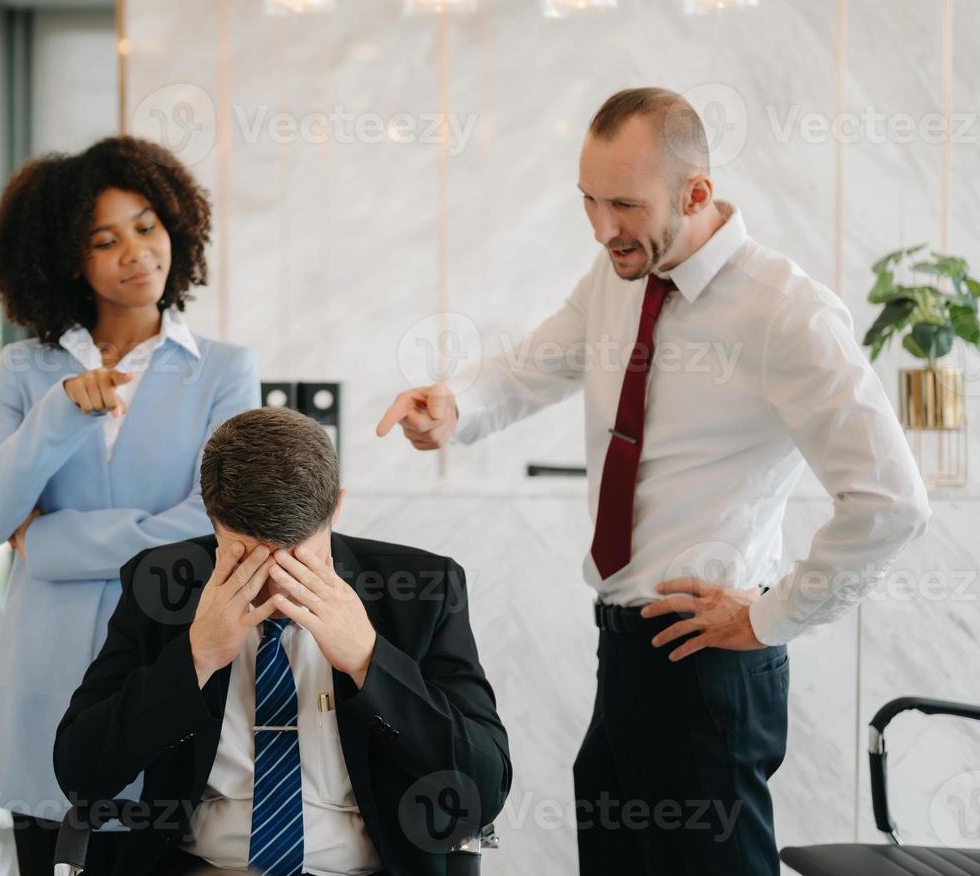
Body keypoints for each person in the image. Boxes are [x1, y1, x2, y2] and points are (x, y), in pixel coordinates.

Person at [377, 87, 930, 875]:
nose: (604, 229)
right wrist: (454, 405)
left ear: (697, 192)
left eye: (625, 205)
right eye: (589, 202)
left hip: (709, 667)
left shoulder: (788, 313)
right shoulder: (619, 274)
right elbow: (536, 364)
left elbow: (891, 500)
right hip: (626, 653)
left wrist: (775, 615)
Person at [0, 136, 260, 876]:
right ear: (69, 259)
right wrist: (57, 417)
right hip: (43, 672)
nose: (136, 252)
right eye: (105, 239)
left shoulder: (223, 369)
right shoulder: (27, 372)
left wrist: (54, 545)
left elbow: (215, 522)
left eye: (146, 226)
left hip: (165, 662)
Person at [55, 407, 512, 876]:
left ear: (336, 506)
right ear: (211, 517)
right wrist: (195, 659)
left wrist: (368, 662)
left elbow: (484, 788)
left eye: (298, 560)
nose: (276, 584)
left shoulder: (424, 589)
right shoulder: (160, 585)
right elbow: (80, 774)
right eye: (247, 561)